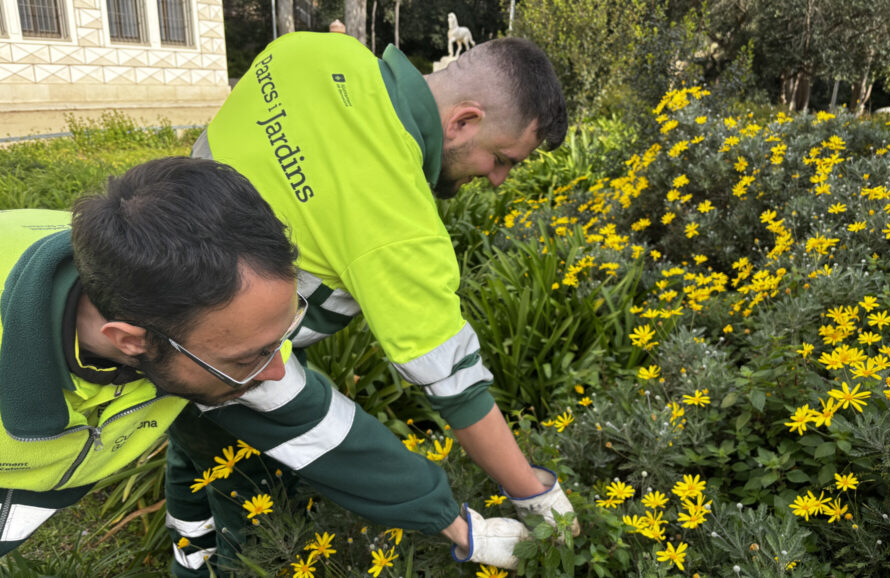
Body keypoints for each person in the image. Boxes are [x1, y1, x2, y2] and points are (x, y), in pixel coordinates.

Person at [176, 31, 578, 573]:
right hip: (222, 367)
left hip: (152, 283)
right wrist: (534, 495)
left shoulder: (306, 51)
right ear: (464, 121)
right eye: (503, 158)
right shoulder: (403, 226)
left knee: (191, 452)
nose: (499, 179)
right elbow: (456, 388)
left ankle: (187, 549)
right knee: (258, 521)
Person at [0, 157, 517, 569]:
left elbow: (323, 428)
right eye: (250, 356)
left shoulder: (176, 310)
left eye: (279, 339)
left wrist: (462, 527)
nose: (274, 372)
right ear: (130, 341)